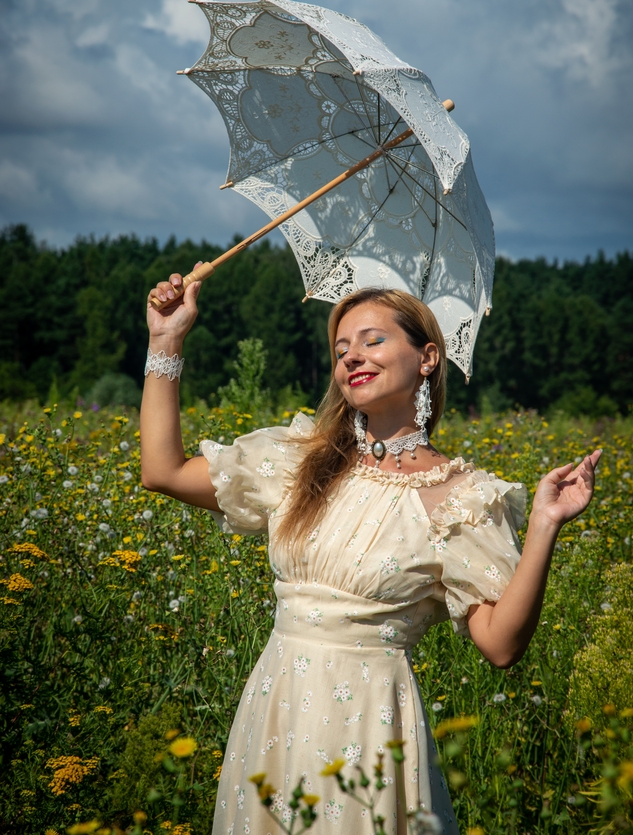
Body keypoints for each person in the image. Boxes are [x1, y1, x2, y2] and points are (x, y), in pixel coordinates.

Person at [141, 267, 601, 835]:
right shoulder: (301, 462)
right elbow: (162, 471)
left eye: (372, 340)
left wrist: (545, 525)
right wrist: (166, 341)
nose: (352, 357)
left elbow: (501, 645)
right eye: (341, 350)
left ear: (427, 358)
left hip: (368, 725)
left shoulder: (463, 498)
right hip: (275, 712)